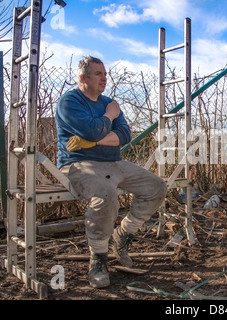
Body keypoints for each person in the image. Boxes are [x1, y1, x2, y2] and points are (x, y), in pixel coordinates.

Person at [55, 55, 168, 288]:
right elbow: (92, 129)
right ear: (82, 77)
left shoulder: (109, 101)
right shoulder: (70, 101)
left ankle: (122, 235)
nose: (104, 78)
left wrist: (93, 141)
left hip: (113, 163)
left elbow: (125, 136)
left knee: (157, 186)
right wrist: (109, 117)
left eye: (105, 74)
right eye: (98, 74)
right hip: (79, 164)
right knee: (106, 196)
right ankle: (98, 257)